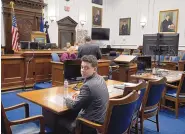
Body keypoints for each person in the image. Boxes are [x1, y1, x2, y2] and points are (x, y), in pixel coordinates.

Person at [58, 55, 109, 134]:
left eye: (86, 68)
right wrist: (80, 93)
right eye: (82, 67)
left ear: (94, 69)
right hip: (101, 120)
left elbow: (74, 105)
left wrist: (65, 99)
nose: (82, 70)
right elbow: (90, 92)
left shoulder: (88, 86)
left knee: (58, 119)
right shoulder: (100, 78)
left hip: (89, 125)